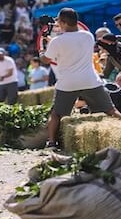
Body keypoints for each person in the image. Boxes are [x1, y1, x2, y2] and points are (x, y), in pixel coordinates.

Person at [41, 8, 121, 148]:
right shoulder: (88, 36)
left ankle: (51, 142)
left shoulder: (57, 42)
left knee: (56, 114)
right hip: (90, 80)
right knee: (111, 111)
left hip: (67, 83)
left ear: (63, 22)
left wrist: (42, 50)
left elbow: (46, 59)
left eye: (59, 21)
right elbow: (71, 43)